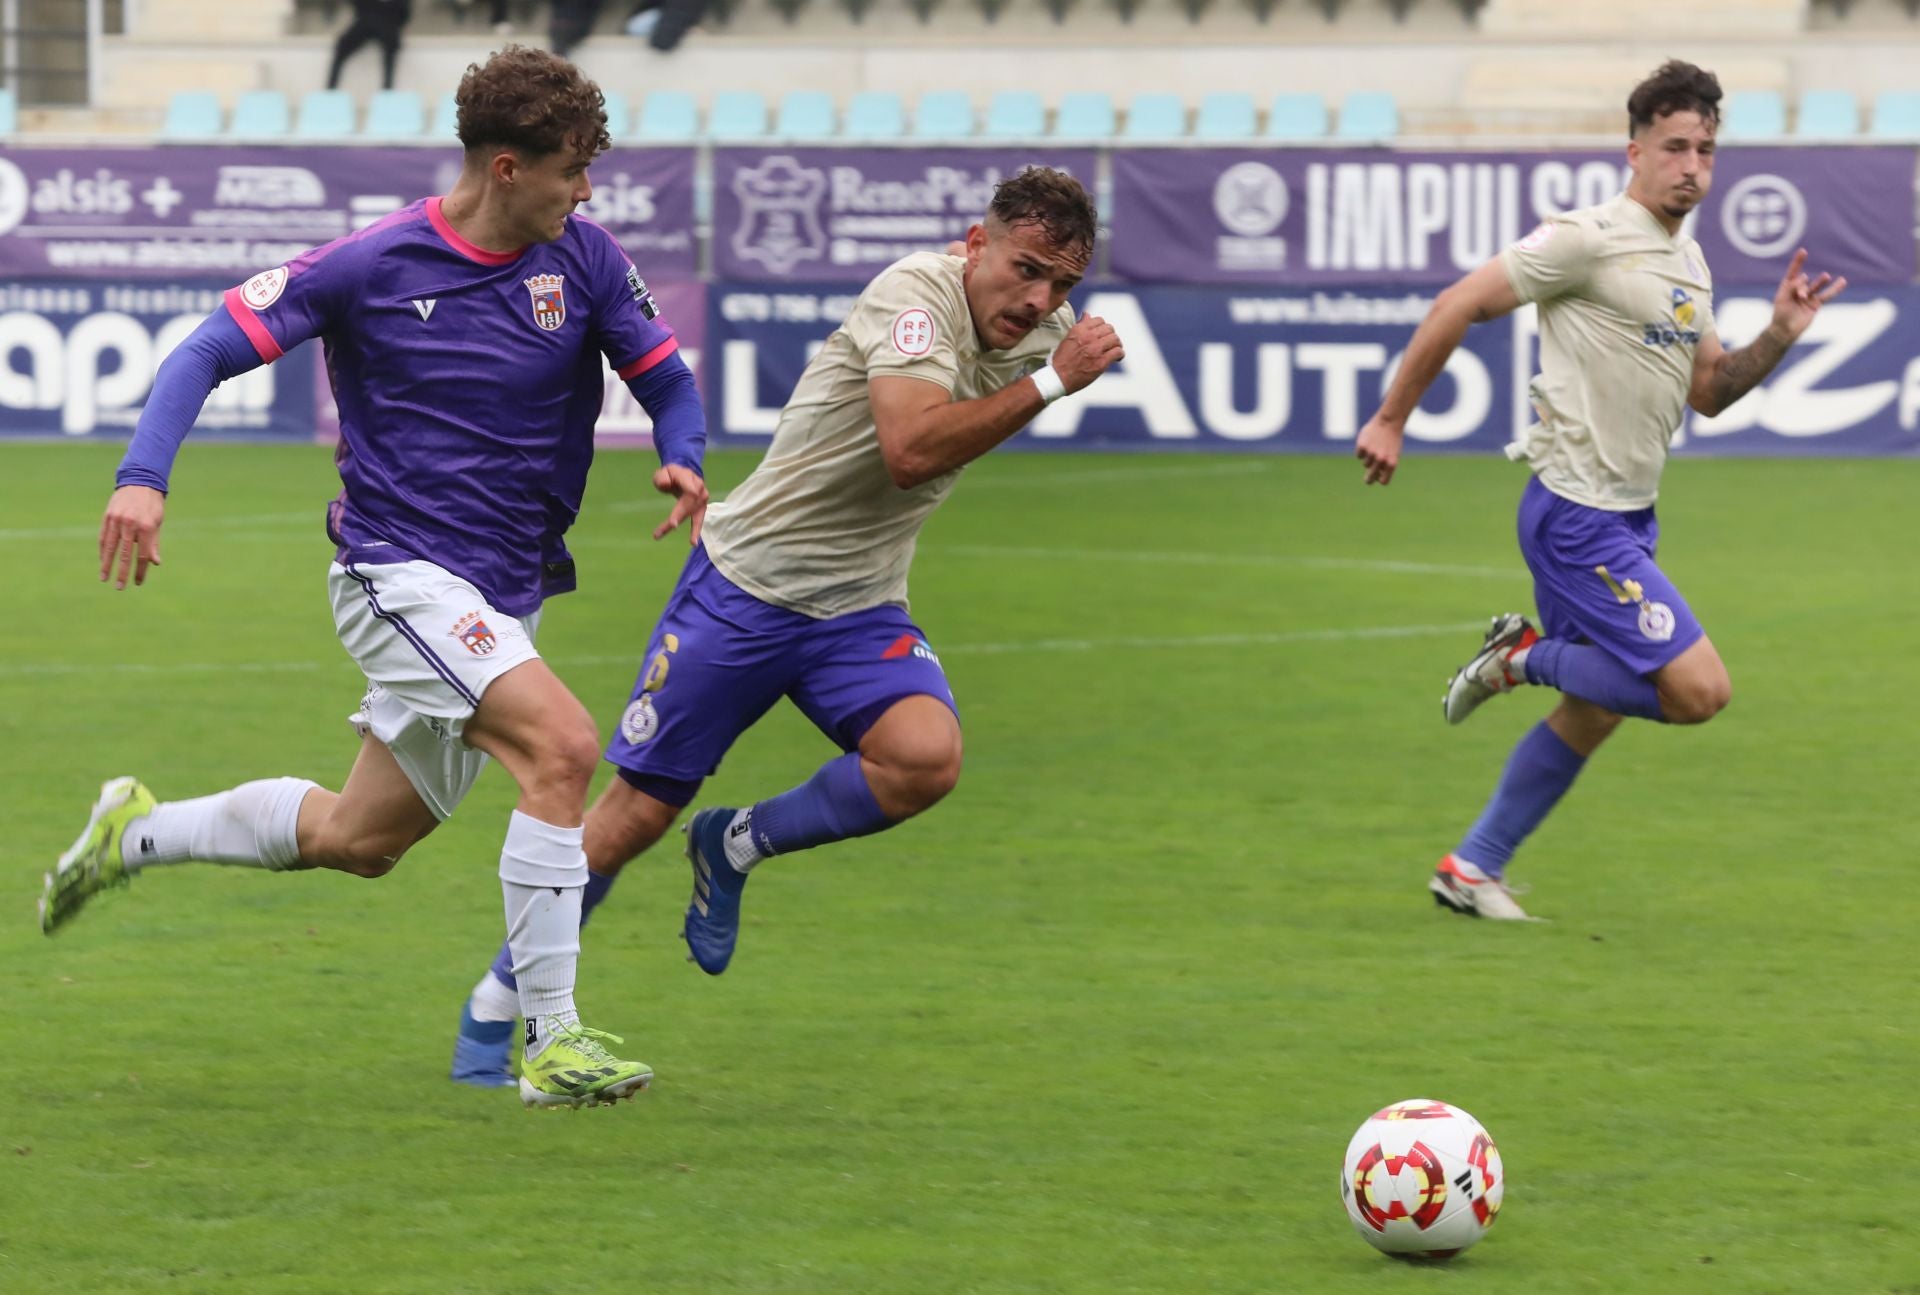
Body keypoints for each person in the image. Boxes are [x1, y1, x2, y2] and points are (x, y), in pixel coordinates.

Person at [42, 47, 710, 1110]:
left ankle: (138, 831)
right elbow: (205, 348)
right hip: (397, 575)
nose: (585, 191)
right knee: (565, 746)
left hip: (503, 590)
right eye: (572, 169)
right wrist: (141, 478)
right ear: (504, 166)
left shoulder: (583, 260)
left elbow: (667, 377)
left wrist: (685, 452)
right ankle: (551, 1036)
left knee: (362, 840)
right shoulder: (370, 264)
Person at [448, 166, 1124, 1086]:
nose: (1041, 298)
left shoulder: (1042, 332)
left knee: (926, 757)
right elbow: (909, 449)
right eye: (1027, 268)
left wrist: (1051, 359)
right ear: (977, 244)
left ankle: (736, 842)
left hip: (860, 606)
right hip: (746, 587)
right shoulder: (915, 296)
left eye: (1063, 286)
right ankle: (495, 1008)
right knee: (632, 814)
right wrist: (1052, 380)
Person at [1353, 59, 1845, 921]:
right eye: (1675, 147)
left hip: (1627, 517)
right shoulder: (1586, 238)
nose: (1693, 165)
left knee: (1598, 708)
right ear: (1635, 151)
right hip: (1578, 521)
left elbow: (1710, 392)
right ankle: (1520, 658)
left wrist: (1781, 334)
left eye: (1707, 149)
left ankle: (1472, 867)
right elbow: (1458, 303)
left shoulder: (1687, 261)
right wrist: (1392, 417)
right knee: (1697, 692)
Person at [327, 0, 412, 92]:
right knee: (341, 48)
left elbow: (404, 12)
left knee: (389, 57)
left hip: (381, 24)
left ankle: (387, 93)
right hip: (369, 23)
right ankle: (330, 91)